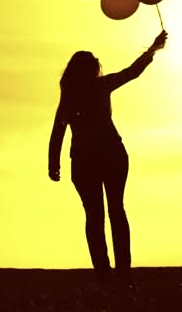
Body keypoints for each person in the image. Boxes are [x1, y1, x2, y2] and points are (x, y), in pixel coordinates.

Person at [48, 30, 167, 282]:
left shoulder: (70, 97)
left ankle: (105, 271)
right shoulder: (99, 87)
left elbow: (58, 130)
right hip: (108, 153)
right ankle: (120, 270)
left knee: (96, 214)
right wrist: (152, 49)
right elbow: (131, 72)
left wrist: (53, 164)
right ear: (92, 70)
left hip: (88, 158)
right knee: (114, 210)